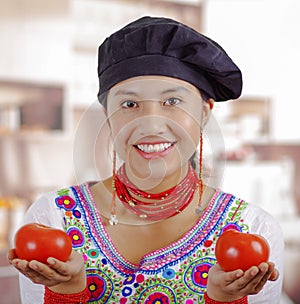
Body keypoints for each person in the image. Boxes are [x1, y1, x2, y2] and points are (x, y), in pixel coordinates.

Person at [8, 16, 284, 304]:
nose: (151, 125)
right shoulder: (54, 219)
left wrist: (224, 298)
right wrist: (67, 291)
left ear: (205, 113)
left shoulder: (254, 230)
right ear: (108, 117)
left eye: (172, 102)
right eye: (129, 104)